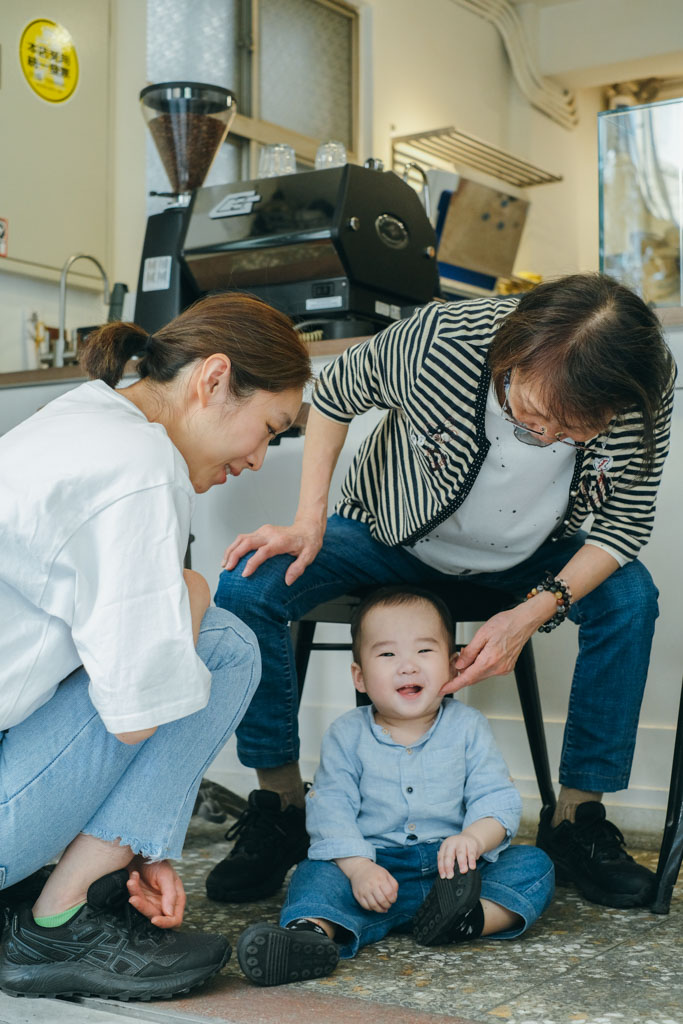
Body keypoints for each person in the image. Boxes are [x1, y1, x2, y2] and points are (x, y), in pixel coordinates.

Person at [207, 273, 675, 912]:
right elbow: (335, 393)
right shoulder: (442, 339)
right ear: (511, 358)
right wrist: (308, 520)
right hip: (388, 533)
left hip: (528, 559)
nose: (549, 438)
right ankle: (282, 807)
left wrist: (530, 614)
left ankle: (576, 820)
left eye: (576, 432)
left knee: (630, 598)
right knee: (247, 586)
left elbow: (625, 525)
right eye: (535, 417)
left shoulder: (642, 386)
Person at [0, 292, 310, 1001]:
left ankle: (72, 885)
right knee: (224, 642)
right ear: (213, 379)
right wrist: (193, 589)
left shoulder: (82, 418)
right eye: (268, 429)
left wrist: (139, 840)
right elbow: (138, 714)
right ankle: (58, 919)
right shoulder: (137, 464)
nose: (258, 459)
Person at [235, 586, 554, 986]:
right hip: (374, 870)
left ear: (453, 666)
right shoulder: (347, 734)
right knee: (313, 873)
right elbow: (331, 808)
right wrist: (358, 868)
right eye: (387, 655)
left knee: (533, 865)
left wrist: (473, 839)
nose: (408, 666)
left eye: (424, 650)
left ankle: (470, 920)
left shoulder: (467, 726)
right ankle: (310, 935)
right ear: (360, 677)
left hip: (455, 874)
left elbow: (495, 796)